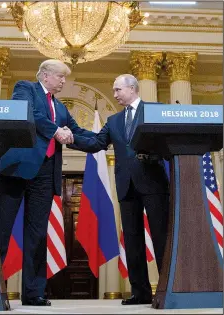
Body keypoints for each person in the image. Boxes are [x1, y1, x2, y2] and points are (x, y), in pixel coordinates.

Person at [0, 59, 94, 306]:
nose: (63, 81)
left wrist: (106, 139)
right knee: (2, 229)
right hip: (17, 169)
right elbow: (30, 113)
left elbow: (76, 132)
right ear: (46, 75)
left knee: (37, 235)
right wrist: (55, 131)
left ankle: (33, 293)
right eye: (60, 76)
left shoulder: (60, 108)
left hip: (46, 173)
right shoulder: (25, 88)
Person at [70, 74, 170, 305]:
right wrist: (70, 138)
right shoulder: (114, 121)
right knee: (132, 240)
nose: (114, 95)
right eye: (114, 91)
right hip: (126, 185)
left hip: (153, 182)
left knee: (161, 236)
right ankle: (140, 292)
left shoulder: (155, 110)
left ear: (132, 89)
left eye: (118, 90)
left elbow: (167, 141)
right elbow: (97, 143)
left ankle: (168, 288)